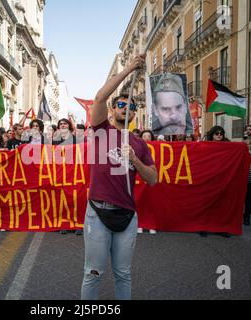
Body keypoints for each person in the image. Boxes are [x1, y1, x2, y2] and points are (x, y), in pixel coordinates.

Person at [81, 54, 158, 300]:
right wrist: (129, 69)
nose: (127, 109)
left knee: (123, 273)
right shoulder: (101, 129)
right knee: (93, 272)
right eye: (122, 105)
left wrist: (134, 159)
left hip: (127, 215)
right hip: (98, 212)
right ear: (114, 109)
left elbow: (153, 179)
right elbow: (100, 96)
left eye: (133, 107)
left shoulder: (140, 144)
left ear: (136, 114)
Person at [138, 130, 157, 235]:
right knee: (140, 201)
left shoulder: (157, 147)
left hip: (151, 178)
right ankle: (140, 224)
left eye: (148, 136)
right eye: (144, 136)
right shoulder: (138, 147)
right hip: (140, 179)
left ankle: (151, 224)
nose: (146, 138)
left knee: (151, 202)